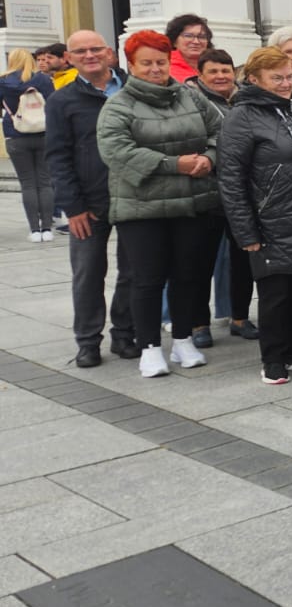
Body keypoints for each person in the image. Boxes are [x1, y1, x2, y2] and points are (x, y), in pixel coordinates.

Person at [97, 30, 226, 377]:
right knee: (147, 279)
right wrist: (176, 164)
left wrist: (210, 158)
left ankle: (183, 339)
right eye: (147, 63)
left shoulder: (191, 96)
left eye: (161, 62)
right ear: (131, 65)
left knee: (189, 276)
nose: (155, 69)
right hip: (142, 209)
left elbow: (220, 131)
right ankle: (150, 347)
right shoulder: (118, 105)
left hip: (193, 205)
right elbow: (118, 151)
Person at [218, 47, 292, 385]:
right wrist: (246, 232)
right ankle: (273, 357)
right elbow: (230, 179)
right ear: (254, 79)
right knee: (276, 294)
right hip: (271, 220)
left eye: (289, 76)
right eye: (277, 78)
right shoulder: (241, 117)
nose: (287, 83)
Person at [46, 32, 136, 367]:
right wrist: (73, 207)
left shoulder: (133, 89)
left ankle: (125, 334)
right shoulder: (61, 100)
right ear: (69, 58)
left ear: (110, 54)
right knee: (87, 273)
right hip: (89, 203)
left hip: (133, 196)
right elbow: (57, 156)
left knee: (134, 270)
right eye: (80, 51)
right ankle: (87, 341)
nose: (90, 55)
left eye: (96, 48)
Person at [189, 47, 253, 344]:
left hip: (242, 193)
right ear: (200, 75)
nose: (220, 76)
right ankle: (199, 323)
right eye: (213, 71)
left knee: (243, 260)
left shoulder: (245, 99)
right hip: (207, 192)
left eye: (225, 70)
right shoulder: (190, 101)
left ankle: (240, 317)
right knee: (201, 261)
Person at [2, 47, 56, 240]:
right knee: (44, 181)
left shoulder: (4, 81)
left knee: (27, 184)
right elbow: (53, 104)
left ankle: (34, 230)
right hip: (43, 134)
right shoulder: (43, 79)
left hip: (15, 135)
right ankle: (48, 229)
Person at [163, 13, 212, 84]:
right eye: (188, 36)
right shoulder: (165, 68)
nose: (196, 41)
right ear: (174, 41)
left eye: (201, 37)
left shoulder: (216, 66)